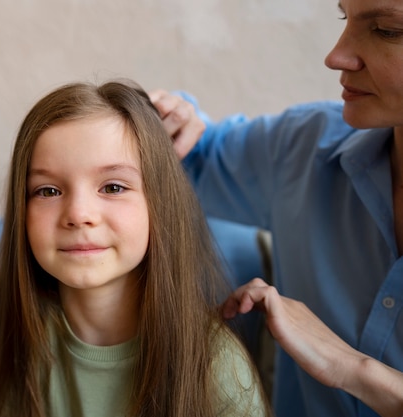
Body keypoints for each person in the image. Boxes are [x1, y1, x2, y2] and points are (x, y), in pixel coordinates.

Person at [149, 0, 403, 416]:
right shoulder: (303, 148)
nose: (336, 55)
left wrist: (352, 369)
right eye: (345, 18)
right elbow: (185, 157)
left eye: (388, 30)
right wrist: (164, 114)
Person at [0, 79, 269, 417]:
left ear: (160, 204)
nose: (79, 215)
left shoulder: (217, 365)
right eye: (48, 191)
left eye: (112, 187)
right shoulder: (20, 345)